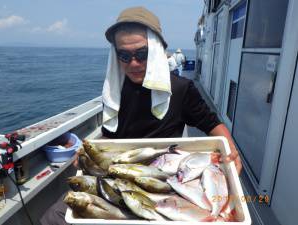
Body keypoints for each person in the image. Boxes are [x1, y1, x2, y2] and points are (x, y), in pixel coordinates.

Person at [40, 6, 242, 225]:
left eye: (141, 54)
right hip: (119, 175)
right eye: (124, 55)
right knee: (53, 218)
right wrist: (89, 152)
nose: (133, 63)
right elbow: (109, 136)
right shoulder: (115, 91)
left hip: (167, 178)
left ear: (156, 51)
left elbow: (212, 124)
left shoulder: (181, 89)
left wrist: (232, 151)